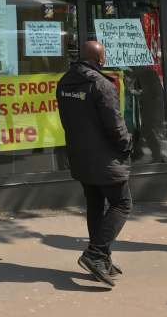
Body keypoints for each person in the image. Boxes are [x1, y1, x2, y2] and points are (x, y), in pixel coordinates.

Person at [57, 40, 133, 287]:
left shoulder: (65, 82)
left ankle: (102, 258)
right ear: (100, 59)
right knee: (122, 203)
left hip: (81, 156)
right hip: (104, 158)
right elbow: (115, 126)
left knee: (95, 204)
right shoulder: (102, 85)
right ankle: (96, 254)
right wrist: (127, 145)